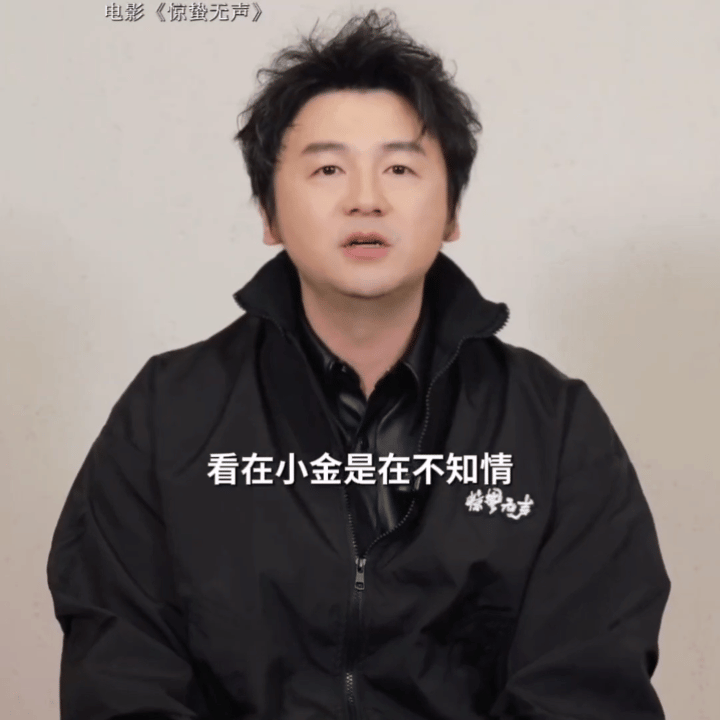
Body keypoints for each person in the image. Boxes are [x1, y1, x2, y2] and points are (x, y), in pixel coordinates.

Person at [47, 9, 670, 720]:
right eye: (328, 169)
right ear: (270, 215)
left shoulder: (553, 428)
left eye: (400, 168)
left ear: (452, 211)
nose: (365, 199)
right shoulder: (169, 415)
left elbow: (587, 684)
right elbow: (121, 673)